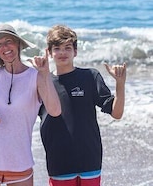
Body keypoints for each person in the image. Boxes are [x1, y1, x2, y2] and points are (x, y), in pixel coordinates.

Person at [0, 24, 61, 186]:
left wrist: (45, 74)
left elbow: (55, 111)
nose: (5, 47)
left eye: (8, 41)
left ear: (18, 44)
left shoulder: (36, 76)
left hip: (20, 162)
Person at [40, 25, 126, 186]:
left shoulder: (90, 76)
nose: (63, 52)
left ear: (76, 51)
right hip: (58, 159)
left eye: (67, 47)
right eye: (57, 48)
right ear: (49, 52)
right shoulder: (42, 82)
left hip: (89, 156)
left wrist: (120, 84)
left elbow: (116, 113)